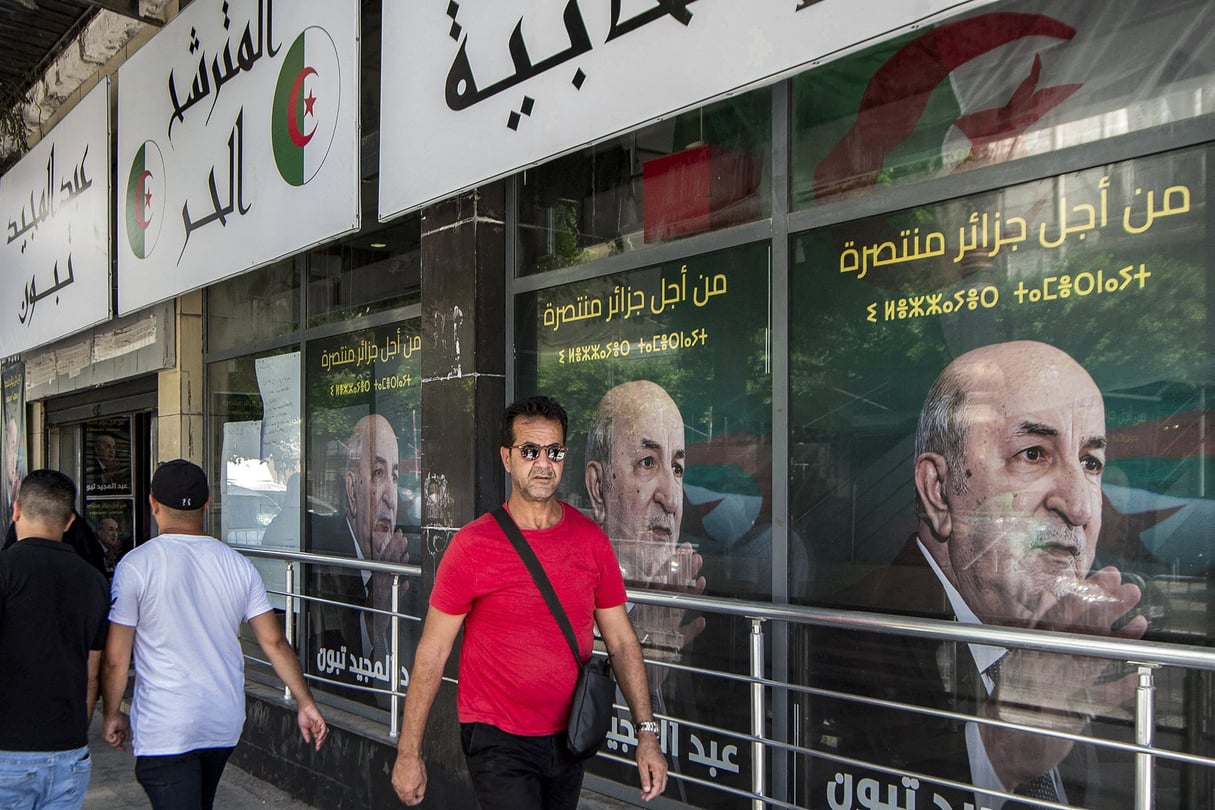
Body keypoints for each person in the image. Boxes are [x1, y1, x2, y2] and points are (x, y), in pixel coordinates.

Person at [808, 340, 1147, 809]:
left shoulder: (1065, 649)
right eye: (1033, 454)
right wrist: (998, 755)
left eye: (1091, 463)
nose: (1081, 506)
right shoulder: (851, 639)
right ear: (938, 491)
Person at [391, 395, 668, 809]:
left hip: (569, 736)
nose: (544, 463)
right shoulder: (472, 546)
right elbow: (432, 651)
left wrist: (646, 733)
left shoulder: (591, 540)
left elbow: (623, 642)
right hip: (497, 738)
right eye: (530, 451)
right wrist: (409, 752)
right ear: (507, 458)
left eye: (554, 452)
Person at [101, 459, 327, 810]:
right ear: (208, 503)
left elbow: (117, 659)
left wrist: (112, 712)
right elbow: (275, 642)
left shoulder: (136, 565)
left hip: (166, 725)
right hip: (222, 720)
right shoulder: (238, 565)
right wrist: (305, 702)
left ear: (153, 503)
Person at [0, 470, 110, 810]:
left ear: (16, 510)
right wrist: (77, 733)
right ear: (69, 521)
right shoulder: (94, 581)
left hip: (7, 755)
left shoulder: (5, 569)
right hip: (69, 754)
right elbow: (93, 673)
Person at [585, 380, 706, 675]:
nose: (671, 500)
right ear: (599, 489)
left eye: (677, 468)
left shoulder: (679, 608)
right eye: (648, 462)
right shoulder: (566, 591)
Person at [308, 413, 411, 686]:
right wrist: (373, 615)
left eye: (396, 476)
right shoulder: (327, 558)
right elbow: (329, 666)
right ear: (352, 491)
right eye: (379, 473)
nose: (391, 497)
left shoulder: (406, 567)